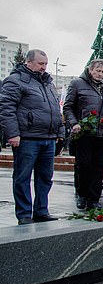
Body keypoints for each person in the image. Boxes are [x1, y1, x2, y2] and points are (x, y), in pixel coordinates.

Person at [0, 49, 64, 225]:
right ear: (28, 63)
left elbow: (55, 111)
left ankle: (41, 210)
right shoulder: (15, 81)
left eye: (45, 64)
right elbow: (6, 109)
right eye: (40, 64)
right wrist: (13, 134)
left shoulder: (48, 83)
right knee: (23, 177)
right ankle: (24, 214)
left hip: (48, 138)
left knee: (45, 177)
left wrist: (59, 133)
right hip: (27, 138)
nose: (44, 67)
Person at [64, 59, 103, 210]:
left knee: (98, 167)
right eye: (97, 71)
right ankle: (82, 195)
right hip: (84, 132)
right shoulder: (77, 84)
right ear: (90, 70)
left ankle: (94, 198)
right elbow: (68, 107)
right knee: (84, 165)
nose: (100, 74)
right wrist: (74, 123)